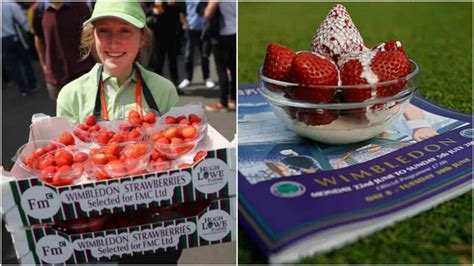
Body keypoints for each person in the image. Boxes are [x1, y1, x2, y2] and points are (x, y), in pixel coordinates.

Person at [57, 0, 179, 123]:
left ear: (143, 38)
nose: (113, 43)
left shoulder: (164, 91)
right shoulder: (71, 96)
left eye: (125, 31)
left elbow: (180, 139)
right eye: (103, 30)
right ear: (92, 36)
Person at [32, 1, 95, 101]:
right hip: (56, 77)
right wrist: (44, 65)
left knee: (91, 109)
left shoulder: (80, 7)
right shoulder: (39, 10)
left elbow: (92, 36)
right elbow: (39, 38)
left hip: (83, 71)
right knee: (64, 113)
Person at [204, 0, 236, 111]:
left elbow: (208, 13)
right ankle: (233, 99)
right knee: (233, 67)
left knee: (221, 69)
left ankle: (223, 102)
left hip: (222, 34)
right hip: (234, 32)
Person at [146, 1, 185, 89]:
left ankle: (174, 86)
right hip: (158, 33)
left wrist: (174, 4)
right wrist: (153, 10)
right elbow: (144, 10)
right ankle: (156, 88)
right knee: (158, 62)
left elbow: (183, 8)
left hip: (174, 32)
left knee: (173, 61)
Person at [2, 0, 37, 96]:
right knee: (26, 61)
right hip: (16, 37)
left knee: (13, 66)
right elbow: (22, 21)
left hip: (3, 40)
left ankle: (23, 89)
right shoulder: (10, 5)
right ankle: (32, 84)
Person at [178, 0, 215, 90]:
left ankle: (207, 77)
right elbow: (181, 11)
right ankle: (187, 78)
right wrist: (184, 23)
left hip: (204, 29)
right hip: (191, 29)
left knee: (204, 55)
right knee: (188, 55)